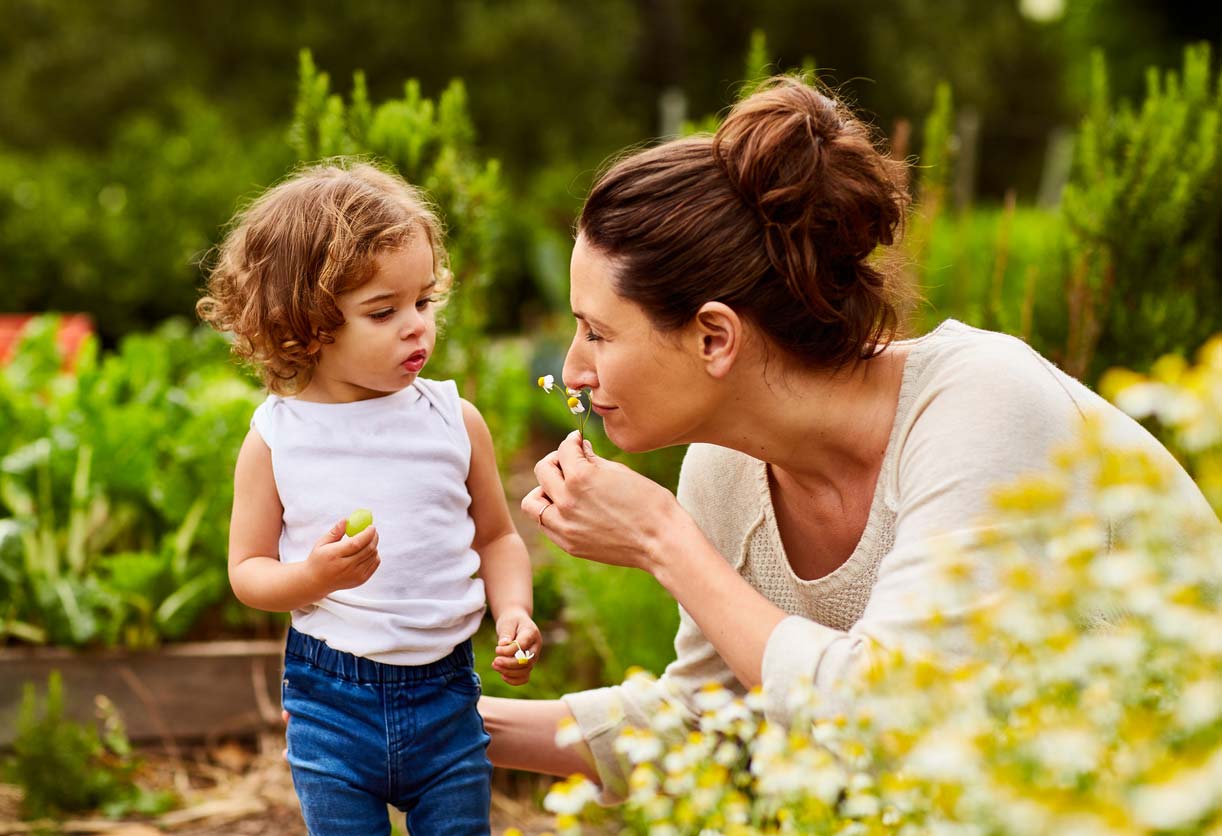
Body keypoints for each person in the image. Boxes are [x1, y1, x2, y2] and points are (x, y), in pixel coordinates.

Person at [478, 76, 1219, 802]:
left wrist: (664, 541)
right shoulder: (726, 472)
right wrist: (462, 728)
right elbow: (718, 725)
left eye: (598, 333)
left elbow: (895, 720)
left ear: (713, 337)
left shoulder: (982, 408)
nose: (572, 370)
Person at [197, 161, 540, 835]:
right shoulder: (276, 438)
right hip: (331, 704)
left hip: (446, 695)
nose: (416, 326)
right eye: (384, 311)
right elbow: (248, 571)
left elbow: (497, 538)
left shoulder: (453, 419)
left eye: (424, 302)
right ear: (306, 326)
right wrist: (311, 578)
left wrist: (516, 611)